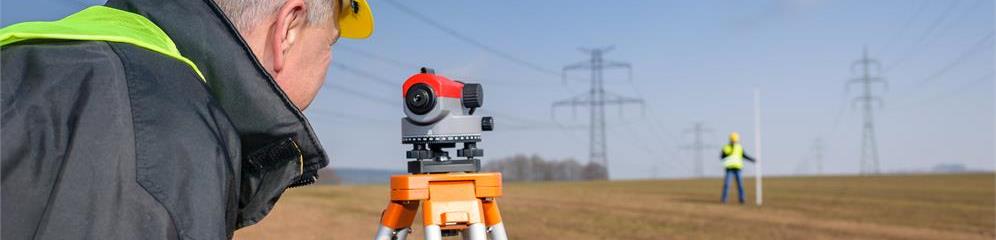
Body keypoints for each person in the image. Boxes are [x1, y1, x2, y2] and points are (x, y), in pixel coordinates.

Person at [0, 0, 373, 239]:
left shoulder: (33, 54)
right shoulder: (168, 135)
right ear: (289, 28)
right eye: (330, 43)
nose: (328, 63)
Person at [719, 132, 755, 204]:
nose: (734, 141)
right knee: (727, 185)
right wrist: (727, 155)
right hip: (729, 169)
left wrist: (752, 160)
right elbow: (721, 157)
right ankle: (724, 199)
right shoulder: (726, 147)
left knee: (740, 185)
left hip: (738, 169)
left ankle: (742, 199)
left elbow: (744, 156)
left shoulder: (739, 147)